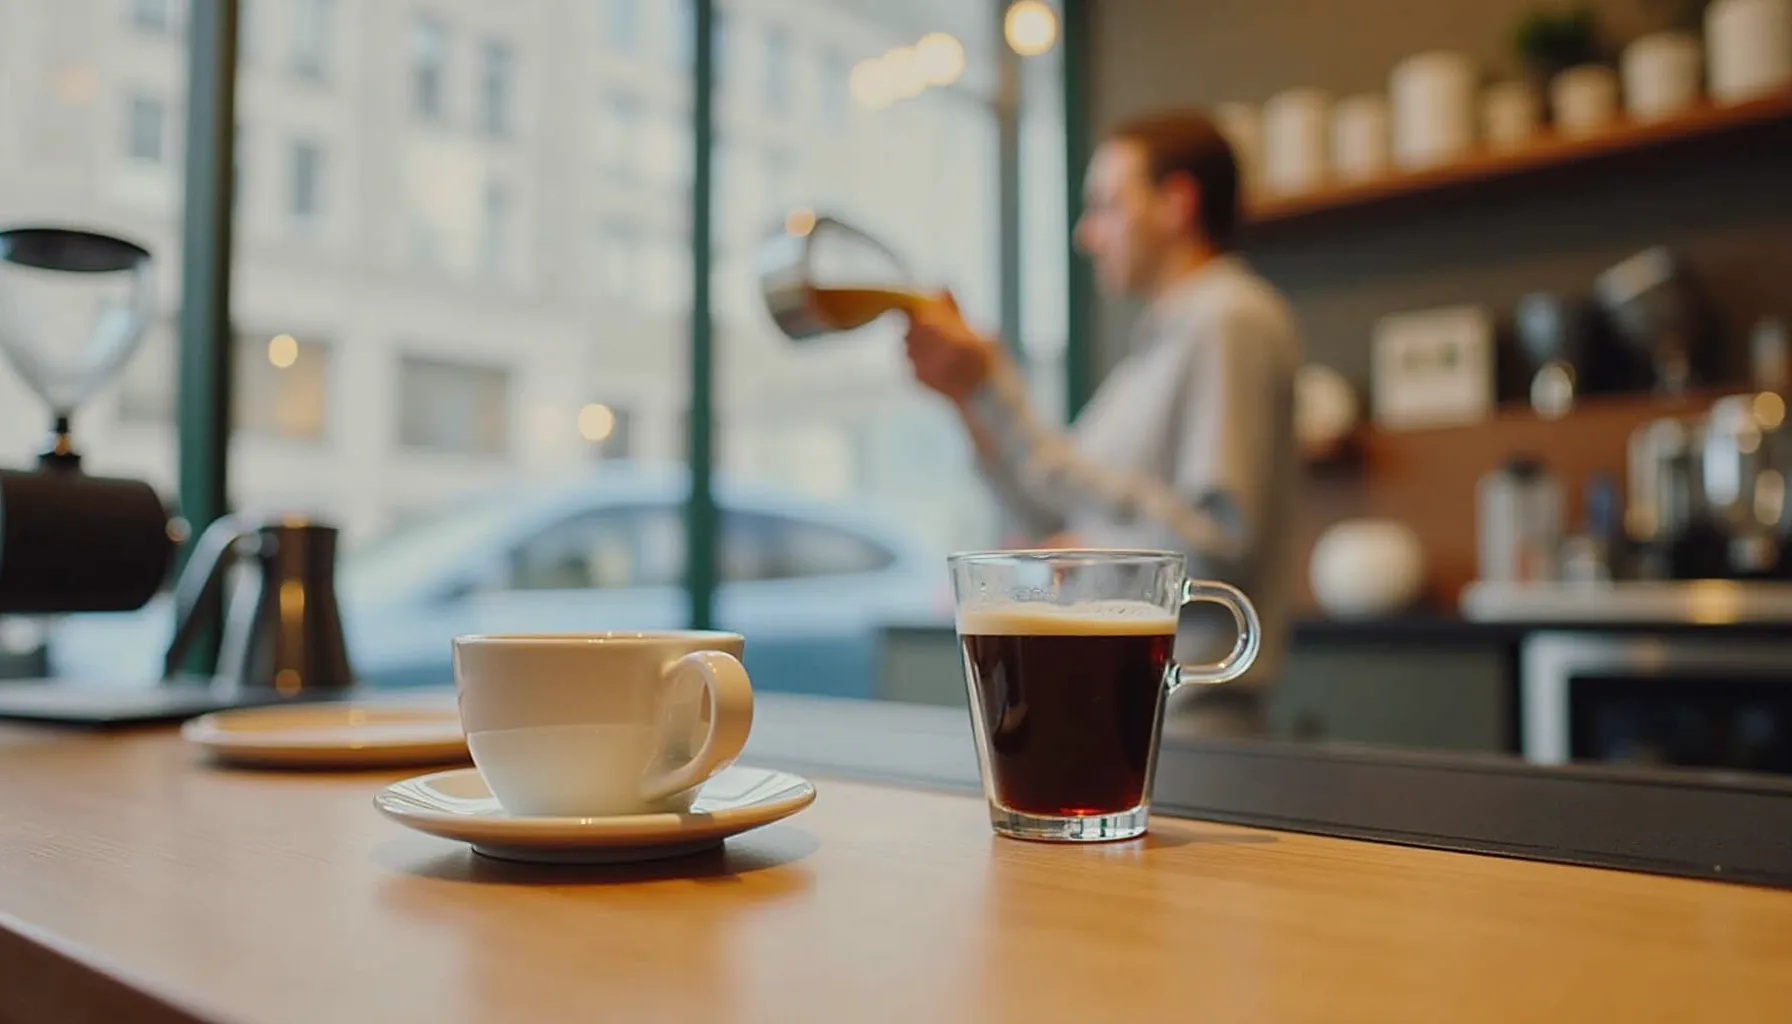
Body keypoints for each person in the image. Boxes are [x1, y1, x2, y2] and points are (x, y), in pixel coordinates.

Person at [903, 110, 1301, 735]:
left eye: (1107, 205)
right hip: (1126, 717)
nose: (1087, 234)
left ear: (1176, 202)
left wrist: (994, 385)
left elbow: (1220, 547)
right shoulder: (1153, 353)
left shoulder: (1230, 318)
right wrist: (967, 396)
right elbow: (1049, 516)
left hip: (1190, 723)